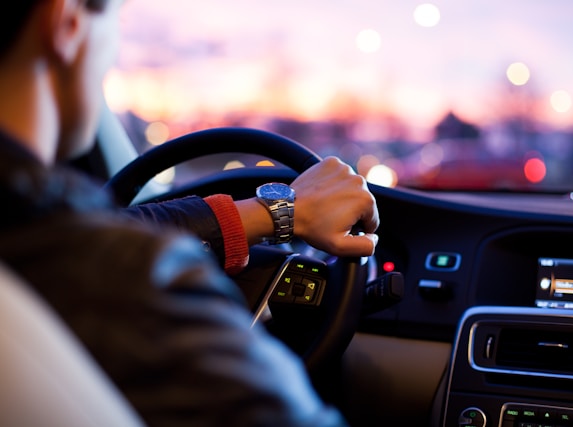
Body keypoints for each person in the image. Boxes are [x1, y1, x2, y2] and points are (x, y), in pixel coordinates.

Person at [0, 0, 379, 426]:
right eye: (115, 22)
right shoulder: (136, 285)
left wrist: (279, 213)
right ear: (68, 23)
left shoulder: (35, 238)